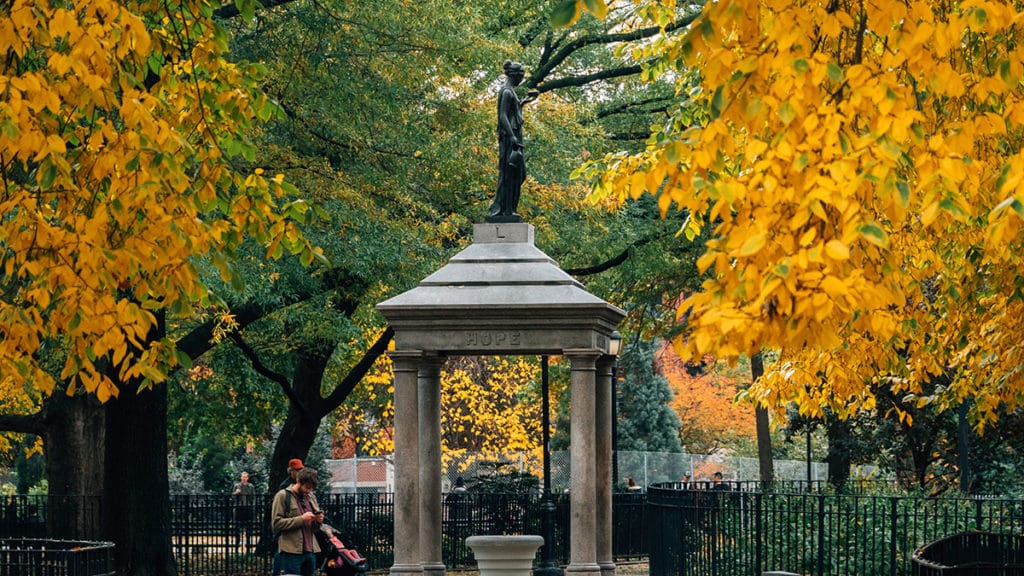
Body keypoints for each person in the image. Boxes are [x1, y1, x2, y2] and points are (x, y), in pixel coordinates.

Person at [486, 60, 537, 223]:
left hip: (515, 137)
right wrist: (512, 136)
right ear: (515, 76)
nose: (522, 79)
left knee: (518, 174)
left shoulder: (511, 92)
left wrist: (525, 102)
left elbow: (513, 112)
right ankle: (505, 210)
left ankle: (510, 209)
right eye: (521, 76)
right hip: (510, 139)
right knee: (510, 173)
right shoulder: (506, 92)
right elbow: (502, 116)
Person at [272, 467, 326, 576]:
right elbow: (276, 523)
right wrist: (301, 519)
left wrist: (318, 520)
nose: (309, 491)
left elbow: (314, 528)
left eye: (311, 489)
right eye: (307, 487)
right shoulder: (283, 496)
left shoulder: (310, 497)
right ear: (298, 481)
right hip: (291, 551)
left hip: (310, 550)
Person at [232, 471, 255, 547]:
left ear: (247, 478)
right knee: (237, 527)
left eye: (245, 477)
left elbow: (253, 497)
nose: (244, 478)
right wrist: (236, 493)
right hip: (239, 508)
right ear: (241, 478)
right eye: (243, 477)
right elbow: (233, 497)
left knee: (248, 526)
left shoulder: (251, 486)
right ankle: (237, 543)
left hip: (247, 508)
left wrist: (251, 505)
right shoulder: (237, 486)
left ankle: (248, 543)